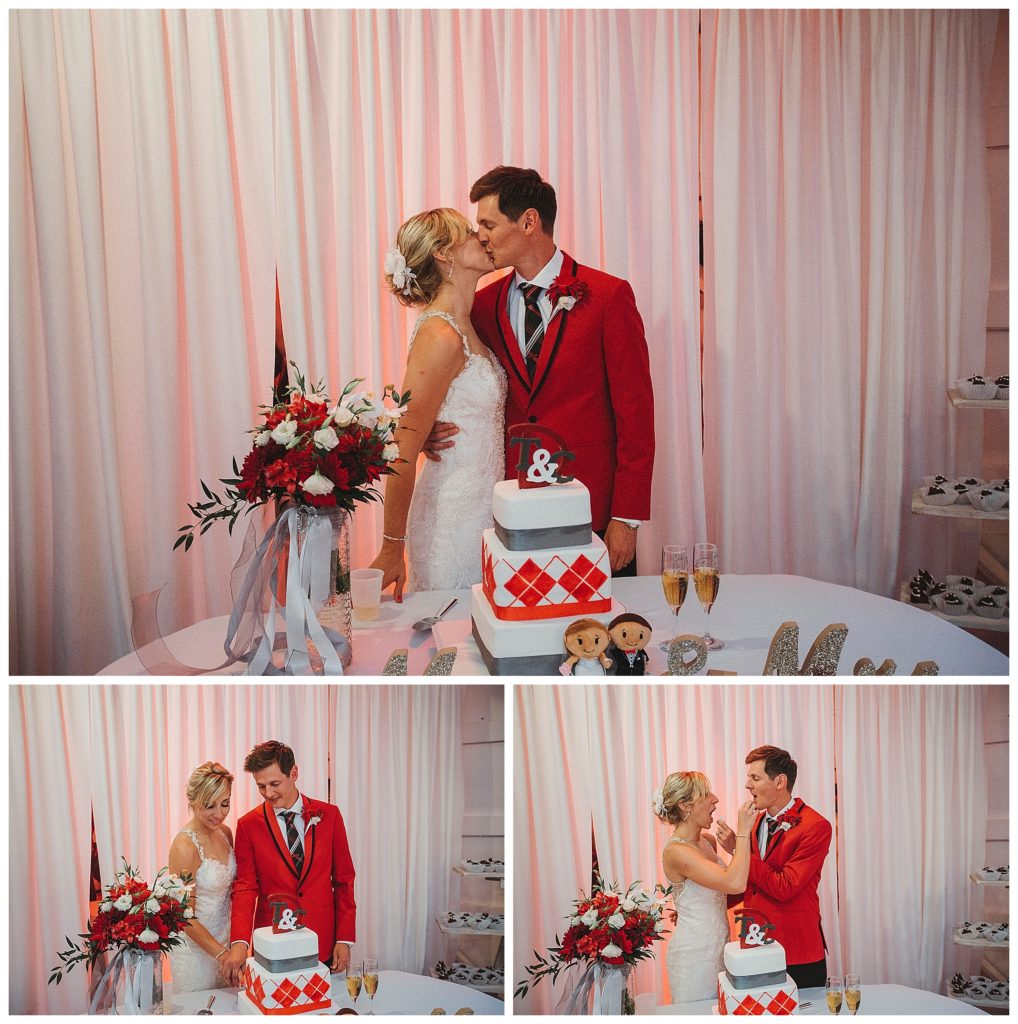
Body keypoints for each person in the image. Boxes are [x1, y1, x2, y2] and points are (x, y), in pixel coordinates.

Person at [425, 166, 655, 576]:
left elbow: (636, 416)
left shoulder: (608, 297)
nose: (480, 235)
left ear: (529, 221)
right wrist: (428, 427)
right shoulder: (483, 306)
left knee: (596, 635)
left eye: (488, 223)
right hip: (511, 513)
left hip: (592, 510)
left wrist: (628, 517)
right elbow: (461, 380)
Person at [370, 208, 507, 598]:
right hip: (452, 521)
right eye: (467, 231)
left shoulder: (468, 323)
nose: (480, 235)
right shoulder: (439, 335)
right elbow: (402, 450)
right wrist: (391, 546)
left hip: (486, 512)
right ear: (444, 254)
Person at [221, 741, 356, 986]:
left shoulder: (330, 815)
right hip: (272, 947)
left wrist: (344, 939)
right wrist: (240, 942)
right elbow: (245, 887)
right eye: (261, 786)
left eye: (275, 784)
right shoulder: (248, 825)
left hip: (322, 941)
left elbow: (344, 881)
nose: (268, 793)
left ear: (293, 773)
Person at [716, 745, 832, 989]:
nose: (748, 785)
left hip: (796, 949)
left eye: (755, 778)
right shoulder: (755, 820)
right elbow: (750, 882)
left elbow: (785, 886)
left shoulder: (816, 826)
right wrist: (709, 906)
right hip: (754, 941)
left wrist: (739, 848)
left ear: (780, 782)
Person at [655, 771, 757, 1003]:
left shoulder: (707, 841)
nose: (716, 799)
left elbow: (733, 883)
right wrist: (743, 832)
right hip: (694, 957)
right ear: (685, 806)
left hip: (721, 949)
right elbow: (735, 882)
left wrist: (733, 845)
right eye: (706, 794)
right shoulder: (676, 851)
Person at [167, 762, 237, 993]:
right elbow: (184, 917)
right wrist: (221, 954)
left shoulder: (225, 833)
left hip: (227, 941)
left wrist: (235, 947)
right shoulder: (185, 846)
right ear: (193, 802)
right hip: (197, 953)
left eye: (225, 803)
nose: (219, 814)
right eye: (209, 806)